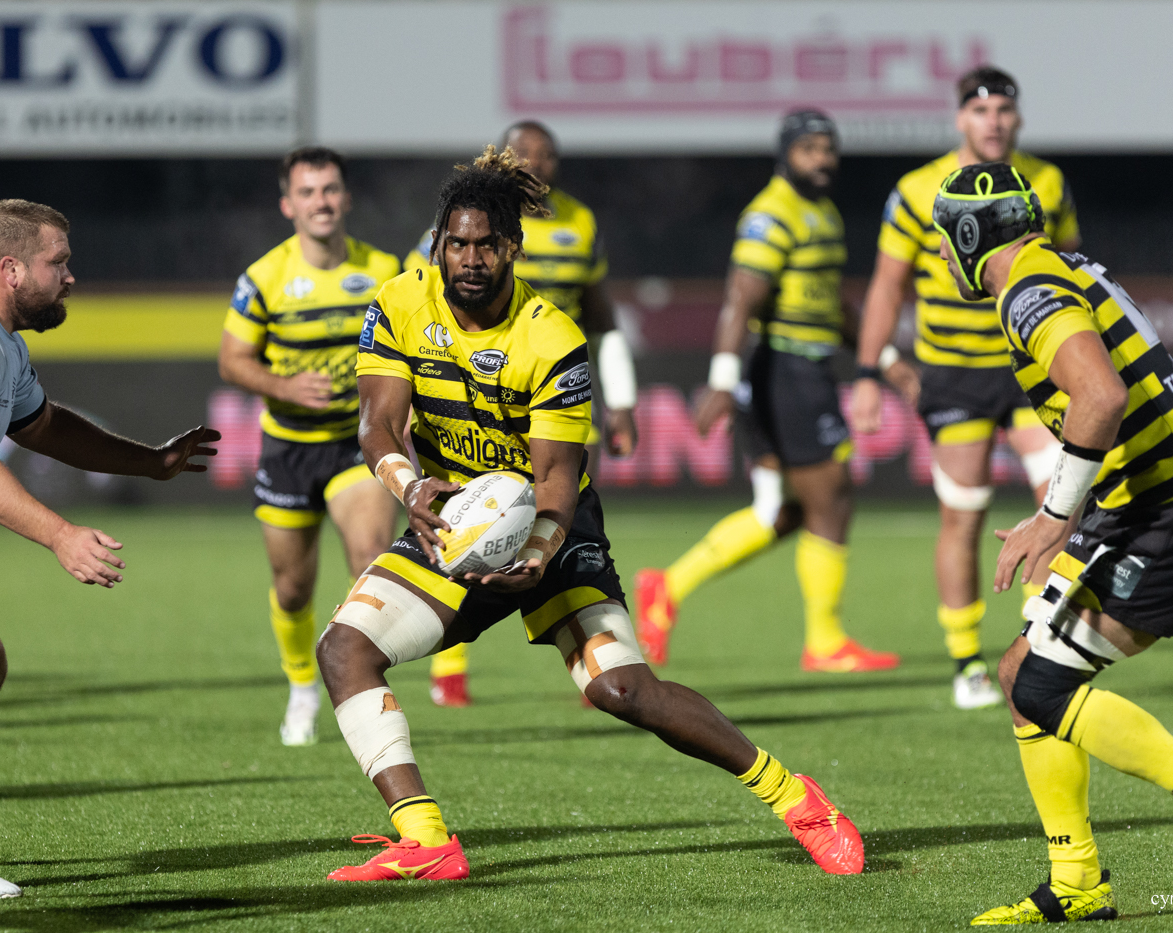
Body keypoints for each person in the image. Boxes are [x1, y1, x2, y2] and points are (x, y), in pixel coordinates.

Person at [316, 146, 864, 882]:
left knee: (620, 690)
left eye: (486, 244)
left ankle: (798, 798)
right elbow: (377, 425)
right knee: (345, 649)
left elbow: (556, 478)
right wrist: (410, 488)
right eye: (457, 243)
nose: (470, 259)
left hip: (553, 529)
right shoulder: (398, 303)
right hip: (449, 519)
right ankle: (426, 838)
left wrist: (537, 555)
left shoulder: (552, 337)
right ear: (438, 242)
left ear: (512, 247)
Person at [928, 163, 1173, 924]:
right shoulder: (1059, 266)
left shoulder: (1027, 291)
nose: (943, 256)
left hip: (1170, 511)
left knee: (1042, 687)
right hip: (1146, 505)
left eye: (946, 238)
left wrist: (1053, 513)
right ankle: (1077, 879)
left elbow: (1101, 394)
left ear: (973, 233)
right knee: (1020, 676)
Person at [0, 199, 218, 898]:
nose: (71, 276)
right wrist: (60, 534)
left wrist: (149, 461)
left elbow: (45, 426)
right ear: (10, 268)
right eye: (58, 262)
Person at [634, 110, 905, 673]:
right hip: (784, 371)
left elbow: (829, 305)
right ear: (785, 155)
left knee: (780, 510)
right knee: (829, 498)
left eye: (829, 149)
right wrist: (721, 380)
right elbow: (741, 299)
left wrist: (884, 357)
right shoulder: (771, 214)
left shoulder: (821, 212)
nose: (823, 159)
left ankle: (667, 586)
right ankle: (825, 640)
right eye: (810, 149)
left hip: (806, 369)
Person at [851, 66, 1080, 709]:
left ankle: (1038, 643)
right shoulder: (918, 189)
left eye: (1005, 110)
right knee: (964, 512)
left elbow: (1070, 268)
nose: (994, 122)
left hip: (1031, 366)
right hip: (952, 373)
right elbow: (886, 286)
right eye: (981, 112)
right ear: (960, 119)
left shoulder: (1047, 182)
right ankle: (965, 661)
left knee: (1060, 501)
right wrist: (869, 376)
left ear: (1019, 117)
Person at [406, 121, 638, 706]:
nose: (534, 162)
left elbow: (602, 317)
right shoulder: (460, 226)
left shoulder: (580, 225)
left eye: (546, 154)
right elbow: (416, 304)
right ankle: (449, 672)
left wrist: (624, 398)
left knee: (562, 508)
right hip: (471, 395)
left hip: (553, 388)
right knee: (467, 518)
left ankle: (598, 662)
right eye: (522, 152)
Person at [219, 148, 402, 746]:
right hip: (289, 451)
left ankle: (357, 680)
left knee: (372, 554)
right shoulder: (265, 277)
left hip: (358, 445)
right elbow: (232, 360)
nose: (320, 201)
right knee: (292, 587)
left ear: (346, 198)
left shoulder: (384, 269)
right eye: (308, 191)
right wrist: (283, 385)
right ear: (288, 204)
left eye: (330, 189)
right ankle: (302, 685)